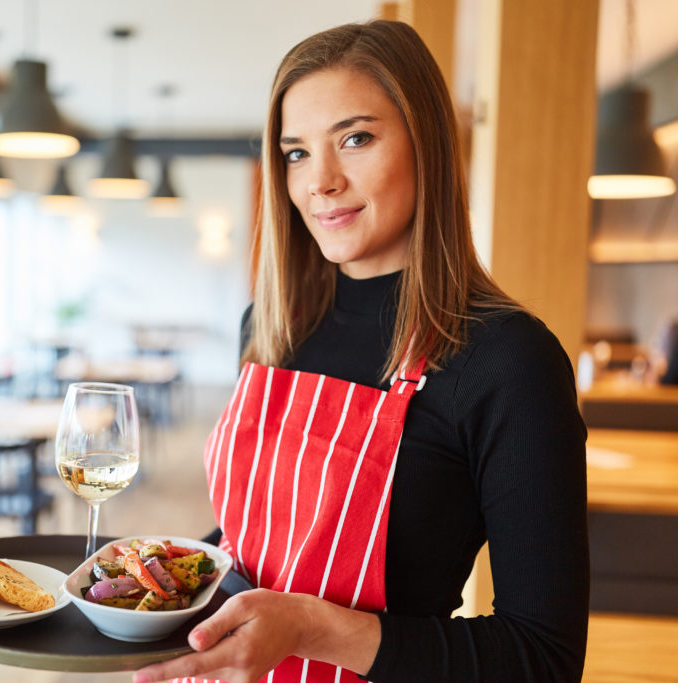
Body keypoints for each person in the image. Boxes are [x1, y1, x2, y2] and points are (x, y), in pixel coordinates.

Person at [134, 20, 588, 683]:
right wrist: (159, 574)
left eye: (355, 138)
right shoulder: (269, 325)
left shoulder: (506, 359)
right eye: (295, 152)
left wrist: (316, 629)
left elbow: (542, 658)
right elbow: (259, 538)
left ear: (426, 144)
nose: (321, 181)